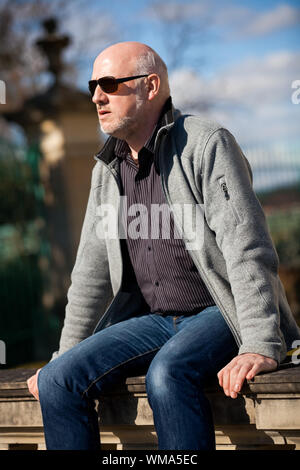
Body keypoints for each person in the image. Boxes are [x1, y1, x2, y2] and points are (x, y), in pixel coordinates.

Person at [27, 41, 300, 450]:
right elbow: (90, 272)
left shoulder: (207, 145)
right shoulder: (107, 170)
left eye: (109, 83)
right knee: (57, 380)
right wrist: (65, 353)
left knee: (167, 373)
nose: (97, 96)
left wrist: (261, 343)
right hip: (156, 319)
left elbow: (247, 248)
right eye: (92, 87)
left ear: (150, 86)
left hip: (219, 310)